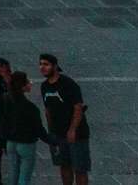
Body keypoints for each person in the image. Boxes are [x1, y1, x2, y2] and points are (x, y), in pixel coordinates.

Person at [36, 53, 89, 185]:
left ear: (55, 66)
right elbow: (47, 110)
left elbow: (78, 108)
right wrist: (51, 133)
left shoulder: (68, 84)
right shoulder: (44, 86)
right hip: (58, 135)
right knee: (64, 166)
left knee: (80, 168)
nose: (42, 67)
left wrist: (72, 130)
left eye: (46, 64)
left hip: (77, 135)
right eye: (41, 64)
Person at [1, 71, 45, 185]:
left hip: (11, 143)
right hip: (26, 145)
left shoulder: (5, 99)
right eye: (28, 81)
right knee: (24, 179)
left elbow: (1, 122)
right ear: (23, 86)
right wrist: (54, 141)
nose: (30, 83)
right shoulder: (31, 108)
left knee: (13, 177)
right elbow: (40, 131)